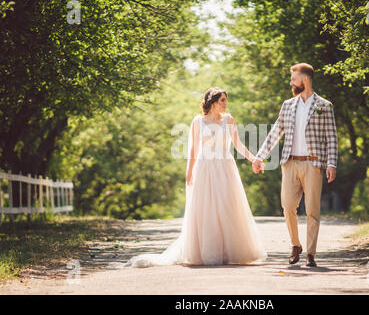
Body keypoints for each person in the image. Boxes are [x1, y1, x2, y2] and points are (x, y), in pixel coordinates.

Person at [112, 87, 267, 268]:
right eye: (222, 100)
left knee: (227, 206)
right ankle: (207, 251)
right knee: (206, 208)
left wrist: (253, 159)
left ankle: (228, 251)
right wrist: (190, 171)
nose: (225, 104)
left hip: (225, 167)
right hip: (204, 167)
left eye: (225, 100)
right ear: (212, 102)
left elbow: (239, 145)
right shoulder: (198, 121)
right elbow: (193, 149)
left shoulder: (229, 120)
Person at [252, 63, 338, 267]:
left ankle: (310, 253)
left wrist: (332, 163)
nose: (291, 82)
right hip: (290, 163)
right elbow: (275, 132)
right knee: (288, 206)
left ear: (305, 80)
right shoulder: (288, 105)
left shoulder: (324, 106)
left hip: (313, 164)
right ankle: (295, 245)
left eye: (294, 78)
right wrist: (259, 156)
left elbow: (332, 137)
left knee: (312, 210)